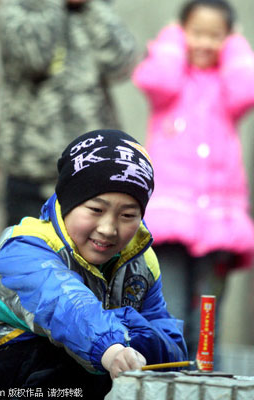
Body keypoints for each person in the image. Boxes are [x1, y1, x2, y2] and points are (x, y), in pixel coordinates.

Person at [0, 130, 187, 399]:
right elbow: (64, 305)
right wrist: (114, 344)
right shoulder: (22, 248)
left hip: (64, 381)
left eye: (127, 215)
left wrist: (124, 339)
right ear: (68, 202)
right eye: (96, 210)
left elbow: (171, 348)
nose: (109, 228)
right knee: (63, 357)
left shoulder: (141, 260)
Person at [132, 0, 254, 359]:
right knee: (169, 309)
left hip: (219, 221)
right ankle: (167, 378)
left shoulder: (228, 83)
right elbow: (155, 79)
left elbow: (246, 92)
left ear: (229, 40)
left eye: (216, 36)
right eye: (196, 33)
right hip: (169, 218)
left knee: (207, 315)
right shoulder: (171, 79)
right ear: (181, 32)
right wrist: (171, 41)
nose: (205, 43)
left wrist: (236, 49)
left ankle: (203, 383)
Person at [0, 0, 136, 228]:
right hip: (32, 168)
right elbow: (33, 57)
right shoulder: (21, 8)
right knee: (29, 255)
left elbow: (121, 63)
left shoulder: (95, 10)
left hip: (92, 167)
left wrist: (94, 8)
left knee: (87, 260)